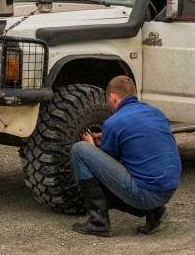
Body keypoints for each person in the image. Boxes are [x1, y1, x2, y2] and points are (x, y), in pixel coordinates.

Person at [70, 76, 181, 237]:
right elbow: (141, 143)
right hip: (168, 190)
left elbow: (106, 169)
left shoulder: (114, 122)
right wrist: (108, 137)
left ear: (112, 97)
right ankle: (154, 211)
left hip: (146, 194)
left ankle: (98, 222)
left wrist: (91, 147)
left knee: (79, 150)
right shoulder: (156, 113)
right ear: (134, 94)